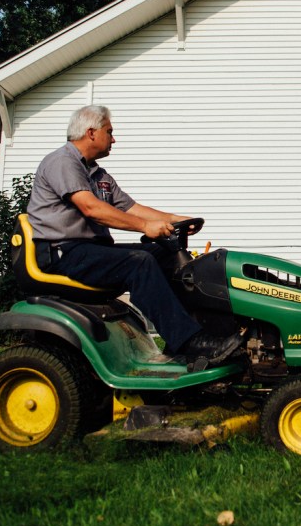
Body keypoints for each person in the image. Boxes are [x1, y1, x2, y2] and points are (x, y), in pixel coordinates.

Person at [26, 105, 242, 363]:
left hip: (91, 251)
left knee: (164, 252)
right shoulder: (62, 162)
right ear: (91, 132)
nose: (114, 139)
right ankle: (190, 342)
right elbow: (91, 208)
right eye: (110, 132)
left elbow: (131, 208)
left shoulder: (99, 174)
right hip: (63, 252)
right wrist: (144, 227)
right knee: (139, 262)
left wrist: (174, 219)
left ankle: (199, 333)